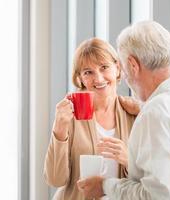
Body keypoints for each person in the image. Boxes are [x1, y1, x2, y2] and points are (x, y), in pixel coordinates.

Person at [77, 20, 170, 200]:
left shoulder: (153, 114)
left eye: (124, 68)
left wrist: (104, 185)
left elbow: (157, 196)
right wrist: (143, 108)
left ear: (133, 65)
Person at [43, 38, 136, 199]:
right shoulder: (70, 116)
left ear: (118, 68)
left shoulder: (134, 114)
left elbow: (153, 180)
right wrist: (59, 128)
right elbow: (55, 179)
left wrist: (129, 160)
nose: (99, 79)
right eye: (88, 72)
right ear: (80, 78)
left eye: (104, 67)